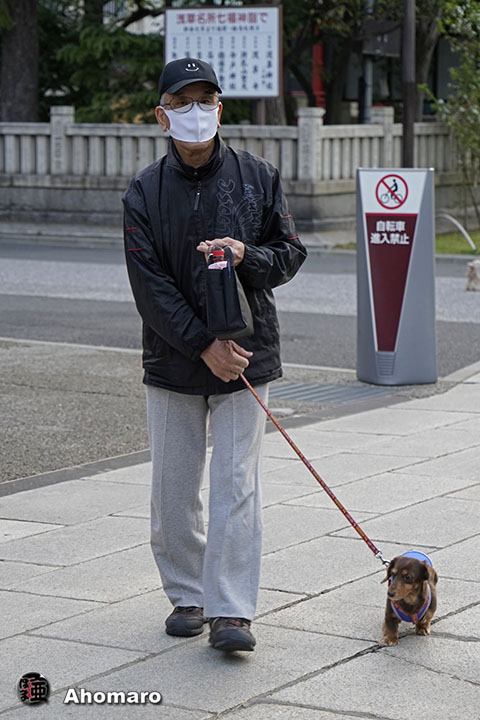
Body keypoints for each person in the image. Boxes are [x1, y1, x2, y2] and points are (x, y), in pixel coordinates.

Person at [123, 57, 306, 653]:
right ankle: (187, 595)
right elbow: (149, 286)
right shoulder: (144, 191)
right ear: (162, 117)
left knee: (236, 485)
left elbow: (290, 253)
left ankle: (231, 610)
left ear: (220, 110)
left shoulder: (258, 176)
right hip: (174, 358)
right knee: (173, 488)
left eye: (205, 101)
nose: (195, 112)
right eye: (182, 103)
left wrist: (248, 254)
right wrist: (203, 345)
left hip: (246, 354)